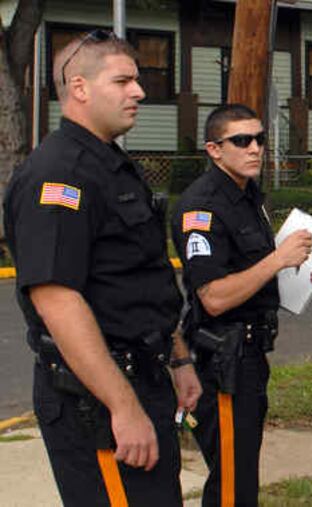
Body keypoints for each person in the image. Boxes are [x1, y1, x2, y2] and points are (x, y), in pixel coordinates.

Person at [2, 30, 201, 506]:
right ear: (80, 88)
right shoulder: (59, 174)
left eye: (138, 80)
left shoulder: (109, 164)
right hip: (96, 403)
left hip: (141, 379)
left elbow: (138, 280)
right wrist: (123, 407)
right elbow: (57, 300)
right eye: (123, 80)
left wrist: (178, 358)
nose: (139, 92)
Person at [171, 103, 312, 506]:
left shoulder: (249, 196)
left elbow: (253, 274)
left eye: (259, 139)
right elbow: (213, 297)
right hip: (221, 361)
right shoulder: (202, 208)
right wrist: (278, 260)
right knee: (232, 485)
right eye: (241, 140)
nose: (255, 148)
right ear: (214, 149)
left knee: (240, 476)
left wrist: (303, 272)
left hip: (249, 356)